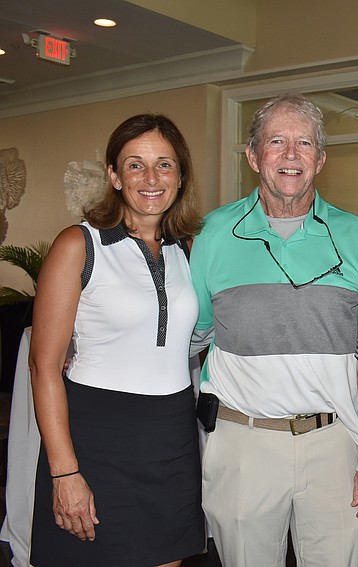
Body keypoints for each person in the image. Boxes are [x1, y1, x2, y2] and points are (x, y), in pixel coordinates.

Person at [189, 93, 358, 567]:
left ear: (320, 159)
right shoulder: (213, 234)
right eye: (277, 141)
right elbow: (189, 336)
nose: (291, 154)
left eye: (305, 143)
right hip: (242, 445)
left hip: (336, 443)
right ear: (254, 156)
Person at [29, 114, 205, 567]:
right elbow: (43, 367)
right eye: (135, 165)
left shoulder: (187, 249)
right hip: (97, 438)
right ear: (113, 175)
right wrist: (64, 471)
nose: (151, 178)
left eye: (164, 165)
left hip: (172, 436)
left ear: (181, 176)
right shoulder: (78, 245)